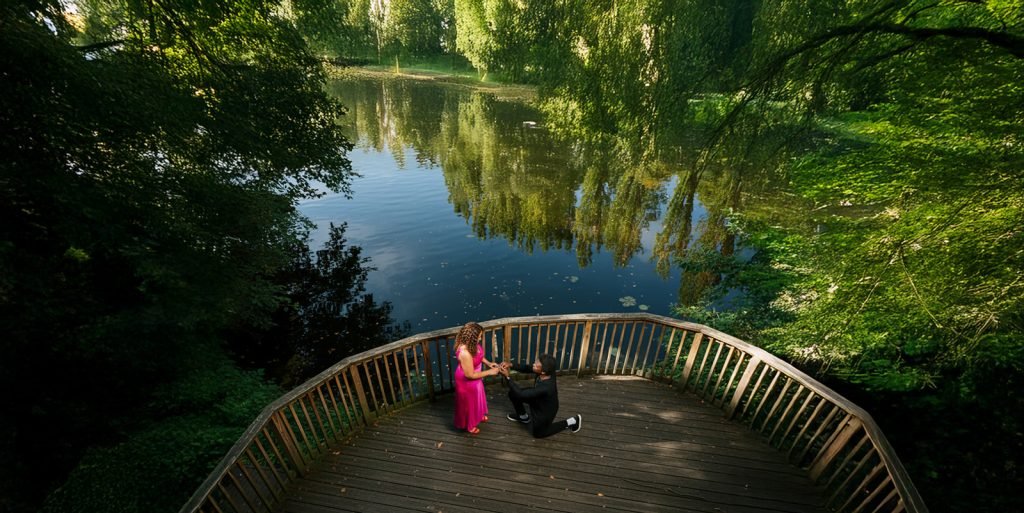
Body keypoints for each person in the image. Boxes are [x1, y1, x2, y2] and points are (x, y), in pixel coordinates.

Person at [499, 354, 582, 438]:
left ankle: (572, 421)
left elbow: (521, 394)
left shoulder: (546, 387)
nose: (533, 365)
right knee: (513, 393)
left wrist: (507, 377)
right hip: (538, 398)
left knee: (538, 434)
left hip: (545, 410)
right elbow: (527, 368)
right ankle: (523, 417)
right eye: (535, 362)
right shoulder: (548, 370)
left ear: (543, 372)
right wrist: (511, 365)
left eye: (536, 365)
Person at [453, 322, 501, 435]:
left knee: (478, 397)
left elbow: (479, 355)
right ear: (472, 337)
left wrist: (489, 363)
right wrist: (489, 372)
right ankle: (470, 425)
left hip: (477, 375)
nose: (480, 338)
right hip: (467, 381)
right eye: (479, 336)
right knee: (469, 403)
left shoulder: (472, 344)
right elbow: (470, 375)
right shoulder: (464, 352)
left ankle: (478, 415)